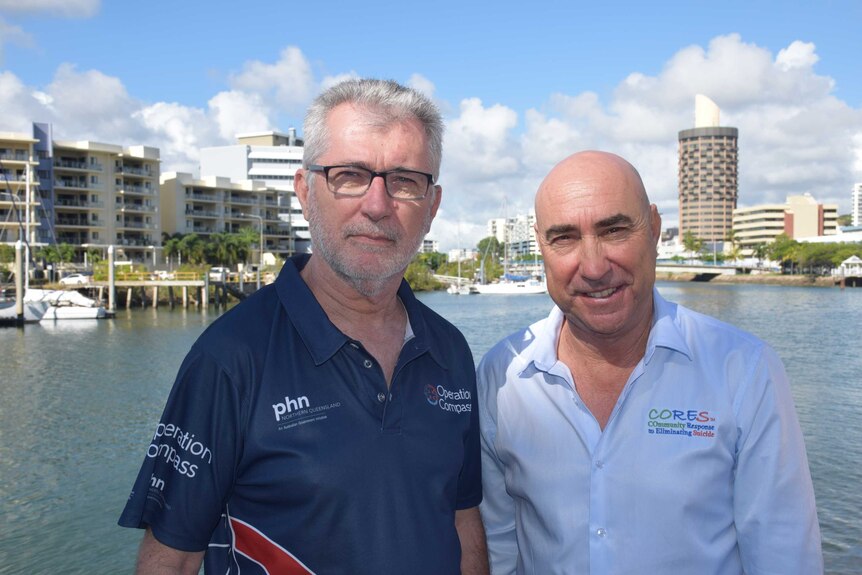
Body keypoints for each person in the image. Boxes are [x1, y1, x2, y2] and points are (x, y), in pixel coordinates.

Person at [120, 78, 489, 575]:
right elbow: (172, 560)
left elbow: (463, 520)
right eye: (350, 174)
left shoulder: (450, 350)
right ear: (305, 190)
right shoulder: (230, 359)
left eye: (404, 180)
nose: (377, 204)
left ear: (433, 205)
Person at [477, 150, 823, 574]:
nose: (594, 266)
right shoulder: (502, 376)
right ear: (542, 246)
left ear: (654, 229)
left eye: (615, 230)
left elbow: (784, 557)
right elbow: (498, 547)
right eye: (564, 237)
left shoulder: (744, 371)